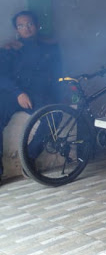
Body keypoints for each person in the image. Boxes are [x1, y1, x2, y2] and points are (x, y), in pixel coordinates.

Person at [0, 11, 61, 184]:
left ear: (36, 25)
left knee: (54, 116)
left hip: (37, 95)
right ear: (17, 30)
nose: (26, 28)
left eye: (29, 24)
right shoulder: (10, 49)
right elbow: (1, 76)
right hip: (12, 94)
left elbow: (57, 74)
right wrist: (17, 93)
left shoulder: (49, 47)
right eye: (21, 26)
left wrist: (61, 96)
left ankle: (29, 158)